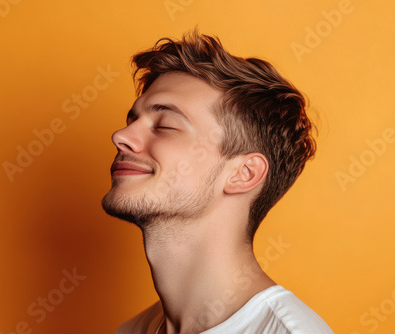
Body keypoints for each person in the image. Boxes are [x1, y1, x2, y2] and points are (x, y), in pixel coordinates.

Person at [102, 30, 334, 334]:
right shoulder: (131, 330)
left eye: (166, 125)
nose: (121, 136)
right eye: (133, 120)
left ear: (243, 174)